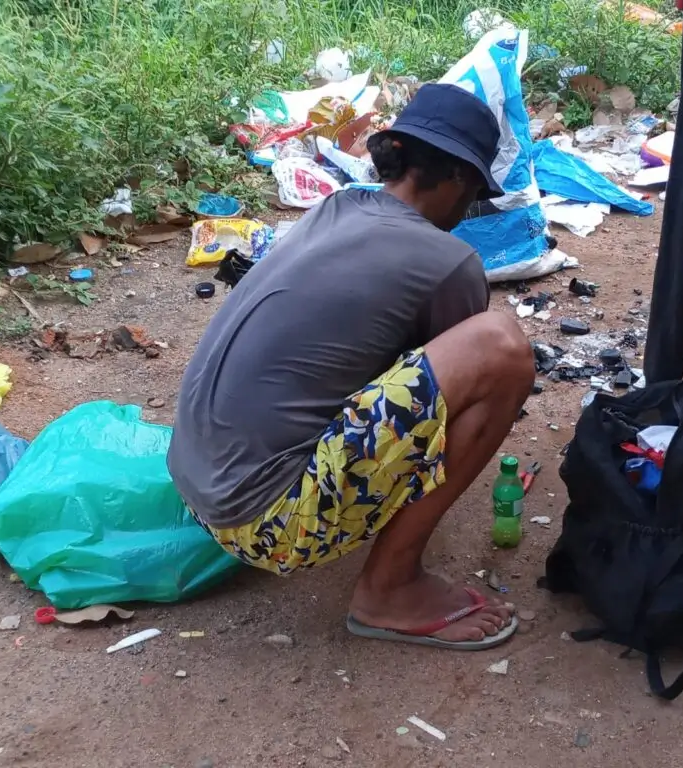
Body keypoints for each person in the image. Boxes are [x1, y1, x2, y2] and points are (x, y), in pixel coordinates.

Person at [168, 84, 535, 650]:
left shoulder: (336, 208)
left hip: (195, 486)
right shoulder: (448, 260)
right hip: (267, 524)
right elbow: (452, 397)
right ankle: (389, 590)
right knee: (499, 350)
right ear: (459, 177)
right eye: (475, 191)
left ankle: (358, 535)